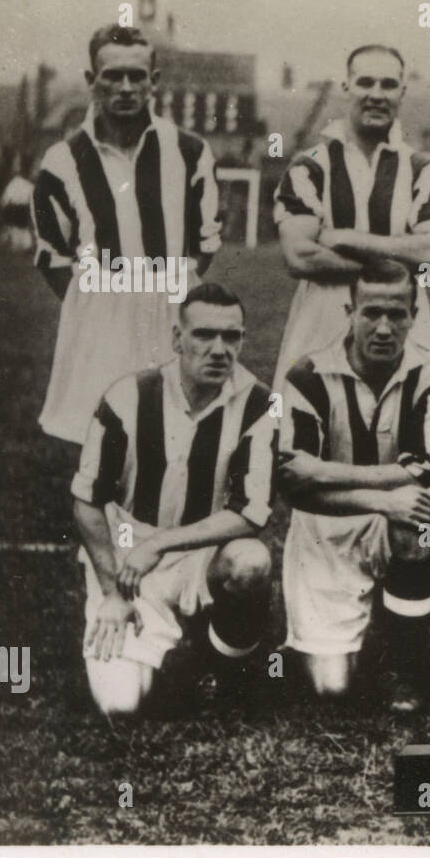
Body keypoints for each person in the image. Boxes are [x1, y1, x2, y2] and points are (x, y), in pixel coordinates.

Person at [72, 283, 275, 717]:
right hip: (129, 551)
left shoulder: (258, 404)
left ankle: (218, 667)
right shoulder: (128, 396)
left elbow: (251, 512)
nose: (219, 349)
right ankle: (147, 639)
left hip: (201, 547)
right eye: (204, 334)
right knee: (120, 704)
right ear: (176, 338)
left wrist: (160, 544)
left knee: (251, 563)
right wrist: (112, 591)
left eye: (232, 336)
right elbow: (87, 500)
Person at [278, 258, 430, 714]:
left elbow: (427, 471)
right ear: (348, 312)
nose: (383, 327)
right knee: (330, 688)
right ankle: (334, 634)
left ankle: (405, 666)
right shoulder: (306, 375)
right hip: (326, 522)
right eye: (371, 312)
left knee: (418, 516)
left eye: (397, 314)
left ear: (414, 317)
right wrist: (381, 496)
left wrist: (321, 470)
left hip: (392, 514)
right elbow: (293, 485)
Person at [32, 24, 221, 446]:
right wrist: (99, 300)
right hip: (100, 314)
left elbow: (205, 242)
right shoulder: (63, 160)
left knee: (175, 439)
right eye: (112, 75)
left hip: (172, 311)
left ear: (153, 81)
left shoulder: (189, 151)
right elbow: (52, 255)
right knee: (100, 444)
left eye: (137, 76)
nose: (125, 87)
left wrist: (162, 289)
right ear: (90, 81)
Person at [273, 43, 430, 388]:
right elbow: (300, 255)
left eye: (387, 85)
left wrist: (344, 238)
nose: (376, 94)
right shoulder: (309, 166)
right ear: (346, 88)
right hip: (325, 315)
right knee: (315, 423)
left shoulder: (423, 170)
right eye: (365, 83)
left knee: (405, 428)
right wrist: (391, 268)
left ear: (402, 91)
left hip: (403, 316)